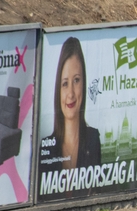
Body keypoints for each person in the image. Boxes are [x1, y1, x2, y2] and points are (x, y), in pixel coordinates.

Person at [41, 37, 101, 176]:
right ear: (58, 90)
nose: (71, 94)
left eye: (76, 80)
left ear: (84, 83)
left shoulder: (93, 139)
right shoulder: (46, 148)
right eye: (65, 83)